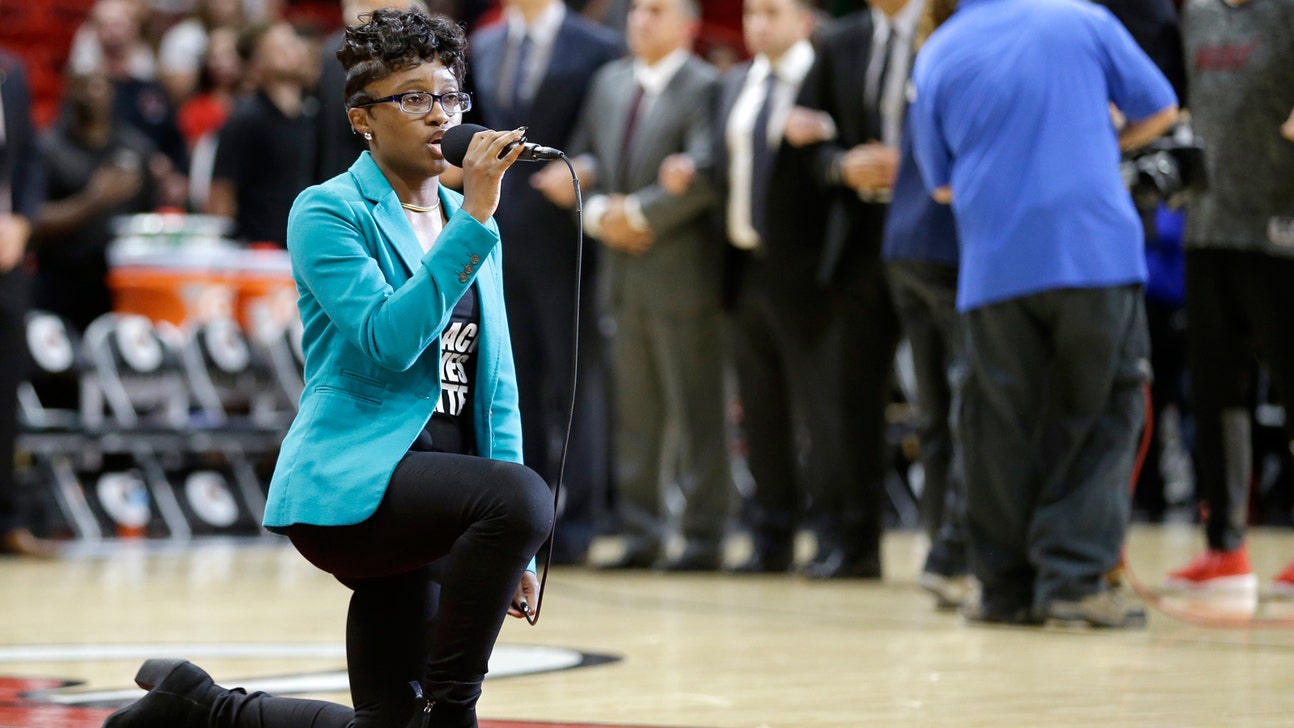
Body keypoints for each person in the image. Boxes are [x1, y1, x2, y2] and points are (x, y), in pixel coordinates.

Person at [103, 9, 553, 728]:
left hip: (447, 486)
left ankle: (201, 708)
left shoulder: (466, 221)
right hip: (359, 482)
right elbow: (387, 339)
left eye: (448, 97)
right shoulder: (328, 212)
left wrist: (520, 554)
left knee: (385, 724)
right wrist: (474, 220)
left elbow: (494, 388)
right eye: (412, 98)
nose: (438, 115)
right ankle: (455, 711)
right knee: (523, 497)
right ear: (361, 119)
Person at [910, 0, 1179, 626]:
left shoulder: (939, 48)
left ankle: (1003, 588)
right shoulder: (1081, 19)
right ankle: (1073, 580)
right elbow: (1161, 108)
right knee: (1102, 412)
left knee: (996, 427)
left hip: (994, 263)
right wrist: (1095, 143)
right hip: (1092, 253)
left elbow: (941, 184)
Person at [534, 0, 731, 570]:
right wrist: (598, 214)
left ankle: (704, 536)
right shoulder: (610, 81)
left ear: (688, 25)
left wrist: (636, 213)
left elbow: (705, 174)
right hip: (620, 272)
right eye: (638, 10)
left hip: (683, 272)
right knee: (635, 414)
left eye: (656, 10)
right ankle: (643, 534)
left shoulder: (706, 85)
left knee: (697, 410)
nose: (641, 19)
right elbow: (584, 158)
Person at [1163, 0, 1294, 594]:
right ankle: (1226, 551)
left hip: (1280, 231)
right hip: (1208, 228)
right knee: (1216, 393)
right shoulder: (1197, 15)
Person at [712, 0, 835, 574]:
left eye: (772, 12)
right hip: (744, 265)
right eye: (751, 13)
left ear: (804, 21)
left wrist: (827, 131)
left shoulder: (825, 73)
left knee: (821, 410)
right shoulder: (737, 81)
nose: (757, 23)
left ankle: (835, 536)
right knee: (760, 413)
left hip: (810, 272)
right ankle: (771, 537)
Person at [31, 68, 159, 334]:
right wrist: (93, 200)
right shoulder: (46, 150)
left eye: (103, 85)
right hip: (63, 286)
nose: (96, 93)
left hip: (123, 286)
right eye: (86, 86)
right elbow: (32, 221)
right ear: (69, 93)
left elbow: (151, 219)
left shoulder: (136, 148)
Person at [0, 47, 57, 559]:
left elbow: (28, 161)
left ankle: (6, 520)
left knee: (4, 392)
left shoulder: (11, 72)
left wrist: (21, 220)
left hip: (6, 258)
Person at [207, 21, 316, 247]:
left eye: (294, 42)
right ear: (256, 64)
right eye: (282, 46)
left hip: (305, 246)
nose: (295, 50)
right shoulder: (245, 120)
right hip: (259, 252)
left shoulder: (314, 115)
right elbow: (221, 193)